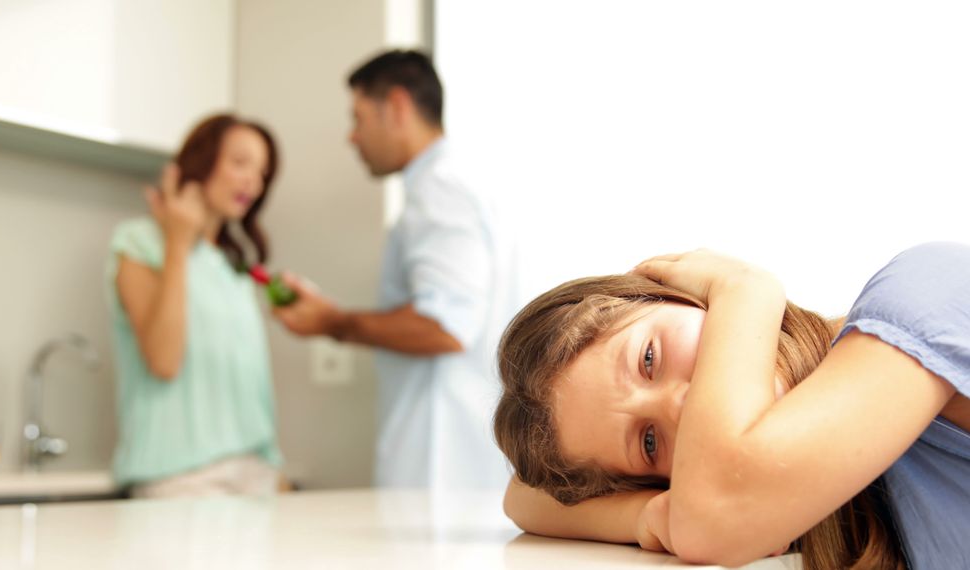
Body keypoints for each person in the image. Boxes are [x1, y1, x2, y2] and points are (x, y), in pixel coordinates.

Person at [494, 243, 970, 569]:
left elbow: (713, 520)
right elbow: (524, 498)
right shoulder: (808, 495)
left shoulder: (924, 292)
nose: (681, 407)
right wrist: (646, 516)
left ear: (680, 298)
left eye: (648, 358)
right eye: (650, 440)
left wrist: (746, 291)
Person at [272, 50, 519, 490]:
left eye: (360, 117)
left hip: (440, 464)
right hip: (455, 461)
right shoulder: (458, 183)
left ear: (397, 107)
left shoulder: (439, 189)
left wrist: (333, 322)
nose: (352, 136)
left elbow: (443, 327)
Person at [106, 113, 285, 498]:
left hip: (256, 474)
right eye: (240, 163)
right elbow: (164, 360)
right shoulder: (139, 243)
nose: (253, 182)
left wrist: (273, 466)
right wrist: (177, 243)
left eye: (262, 173)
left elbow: (251, 390)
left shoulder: (233, 268)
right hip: (181, 480)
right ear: (201, 162)